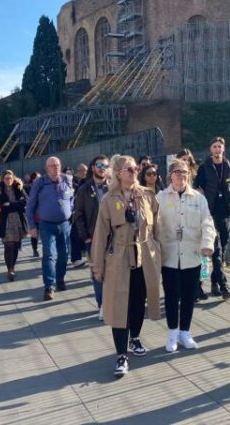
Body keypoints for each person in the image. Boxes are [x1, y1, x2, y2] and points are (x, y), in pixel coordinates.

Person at [90, 155, 161, 378]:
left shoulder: (148, 196)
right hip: (118, 258)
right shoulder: (109, 200)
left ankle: (135, 337)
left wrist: (160, 256)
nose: (134, 172)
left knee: (140, 301)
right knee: (119, 304)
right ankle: (121, 355)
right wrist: (97, 266)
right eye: (129, 169)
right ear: (118, 173)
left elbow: (157, 229)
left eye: (135, 168)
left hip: (144, 256)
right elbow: (101, 235)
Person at [157, 159, 215, 353]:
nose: (181, 176)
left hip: (192, 254)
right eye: (177, 172)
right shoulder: (161, 197)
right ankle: (172, 332)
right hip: (169, 256)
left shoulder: (198, 199)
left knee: (190, 296)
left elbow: (207, 222)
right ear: (170, 175)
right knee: (172, 296)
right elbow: (153, 224)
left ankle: (185, 332)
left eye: (184, 172)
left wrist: (207, 244)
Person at [194, 136, 230, 300]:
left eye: (220, 147)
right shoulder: (205, 167)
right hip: (209, 212)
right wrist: (201, 197)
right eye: (214, 147)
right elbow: (197, 186)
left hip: (224, 212)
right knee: (214, 247)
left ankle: (215, 281)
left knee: (223, 247)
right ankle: (217, 283)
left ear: (223, 149)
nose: (217, 150)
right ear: (210, 150)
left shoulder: (229, 166)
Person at [26, 156, 75, 301]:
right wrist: (32, 226)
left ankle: (60, 279)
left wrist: (69, 209)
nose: (55, 168)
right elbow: (30, 206)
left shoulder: (67, 179)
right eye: (52, 166)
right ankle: (49, 286)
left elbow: (71, 197)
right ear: (46, 168)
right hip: (46, 224)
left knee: (64, 254)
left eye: (57, 165)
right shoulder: (39, 183)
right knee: (49, 254)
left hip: (65, 224)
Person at [72, 155, 110, 319]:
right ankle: (102, 305)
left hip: (112, 237)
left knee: (113, 272)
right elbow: (78, 214)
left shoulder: (113, 187)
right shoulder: (84, 189)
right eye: (99, 165)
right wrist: (85, 237)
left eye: (105, 165)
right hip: (93, 237)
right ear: (93, 168)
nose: (102, 168)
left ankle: (112, 303)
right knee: (97, 273)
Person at [0, 170, 29, 282]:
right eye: (6, 178)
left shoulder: (19, 188)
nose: (8, 180)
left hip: (18, 220)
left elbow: (25, 202)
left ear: (13, 178)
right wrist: (15, 205)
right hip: (5, 221)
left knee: (15, 246)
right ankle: (9, 269)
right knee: (8, 245)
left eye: (10, 178)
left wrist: (10, 204)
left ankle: (13, 266)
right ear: (3, 180)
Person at [25, 172, 42, 258]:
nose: (38, 179)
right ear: (32, 179)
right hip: (34, 213)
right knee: (35, 233)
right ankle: (35, 249)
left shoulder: (44, 187)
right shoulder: (28, 187)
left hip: (43, 213)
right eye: (36, 178)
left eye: (39, 177)